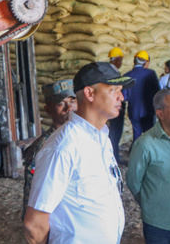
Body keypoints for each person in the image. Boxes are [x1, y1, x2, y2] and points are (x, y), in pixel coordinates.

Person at [23, 62, 135, 244]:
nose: (121, 97)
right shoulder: (64, 147)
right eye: (114, 90)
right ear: (90, 93)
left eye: (120, 90)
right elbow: (34, 224)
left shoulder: (101, 138)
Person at [127, 90, 170, 244]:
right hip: (159, 223)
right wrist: (151, 204)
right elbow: (133, 182)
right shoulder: (145, 144)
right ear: (160, 113)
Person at [22, 79, 77, 218]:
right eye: (60, 103)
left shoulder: (84, 137)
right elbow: (31, 198)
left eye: (72, 101)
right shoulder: (42, 148)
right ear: (48, 110)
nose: (68, 108)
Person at [123, 50, 159, 141]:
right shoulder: (150, 73)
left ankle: (136, 153)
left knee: (137, 135)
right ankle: (149, 154)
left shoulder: (127, 76)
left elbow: (124, 97)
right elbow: (157, 92)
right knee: (150, 135)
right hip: (148, 110)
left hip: (133, 111)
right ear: (146, 62)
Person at [107, 47, 126, 162]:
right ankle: (114, 157)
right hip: (114, 106)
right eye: (121, 60)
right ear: (117, 60)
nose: (121, 63)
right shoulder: (113, 73)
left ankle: (114, 155)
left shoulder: (108, 70)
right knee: (115, 131)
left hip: (112, 105)